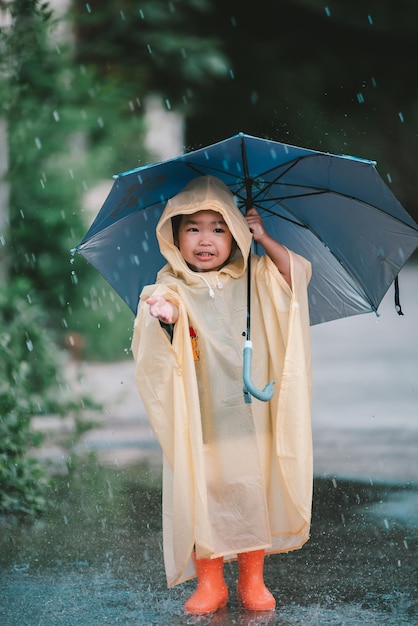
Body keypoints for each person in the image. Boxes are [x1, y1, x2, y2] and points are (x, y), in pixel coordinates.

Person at [131, 175, 312, 614]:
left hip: (250, 413)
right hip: (203, 414)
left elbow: (296, 275)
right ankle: (211, 582)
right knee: (204, 491)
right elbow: (162, 311)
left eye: (218, 227)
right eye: (192, 228)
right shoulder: (171, 283)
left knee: (251, 488)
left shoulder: (254, 276)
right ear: (175, 237)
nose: (205, 239)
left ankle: (252, 577)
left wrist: (263, 238)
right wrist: (166, 312)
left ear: (235, 232)